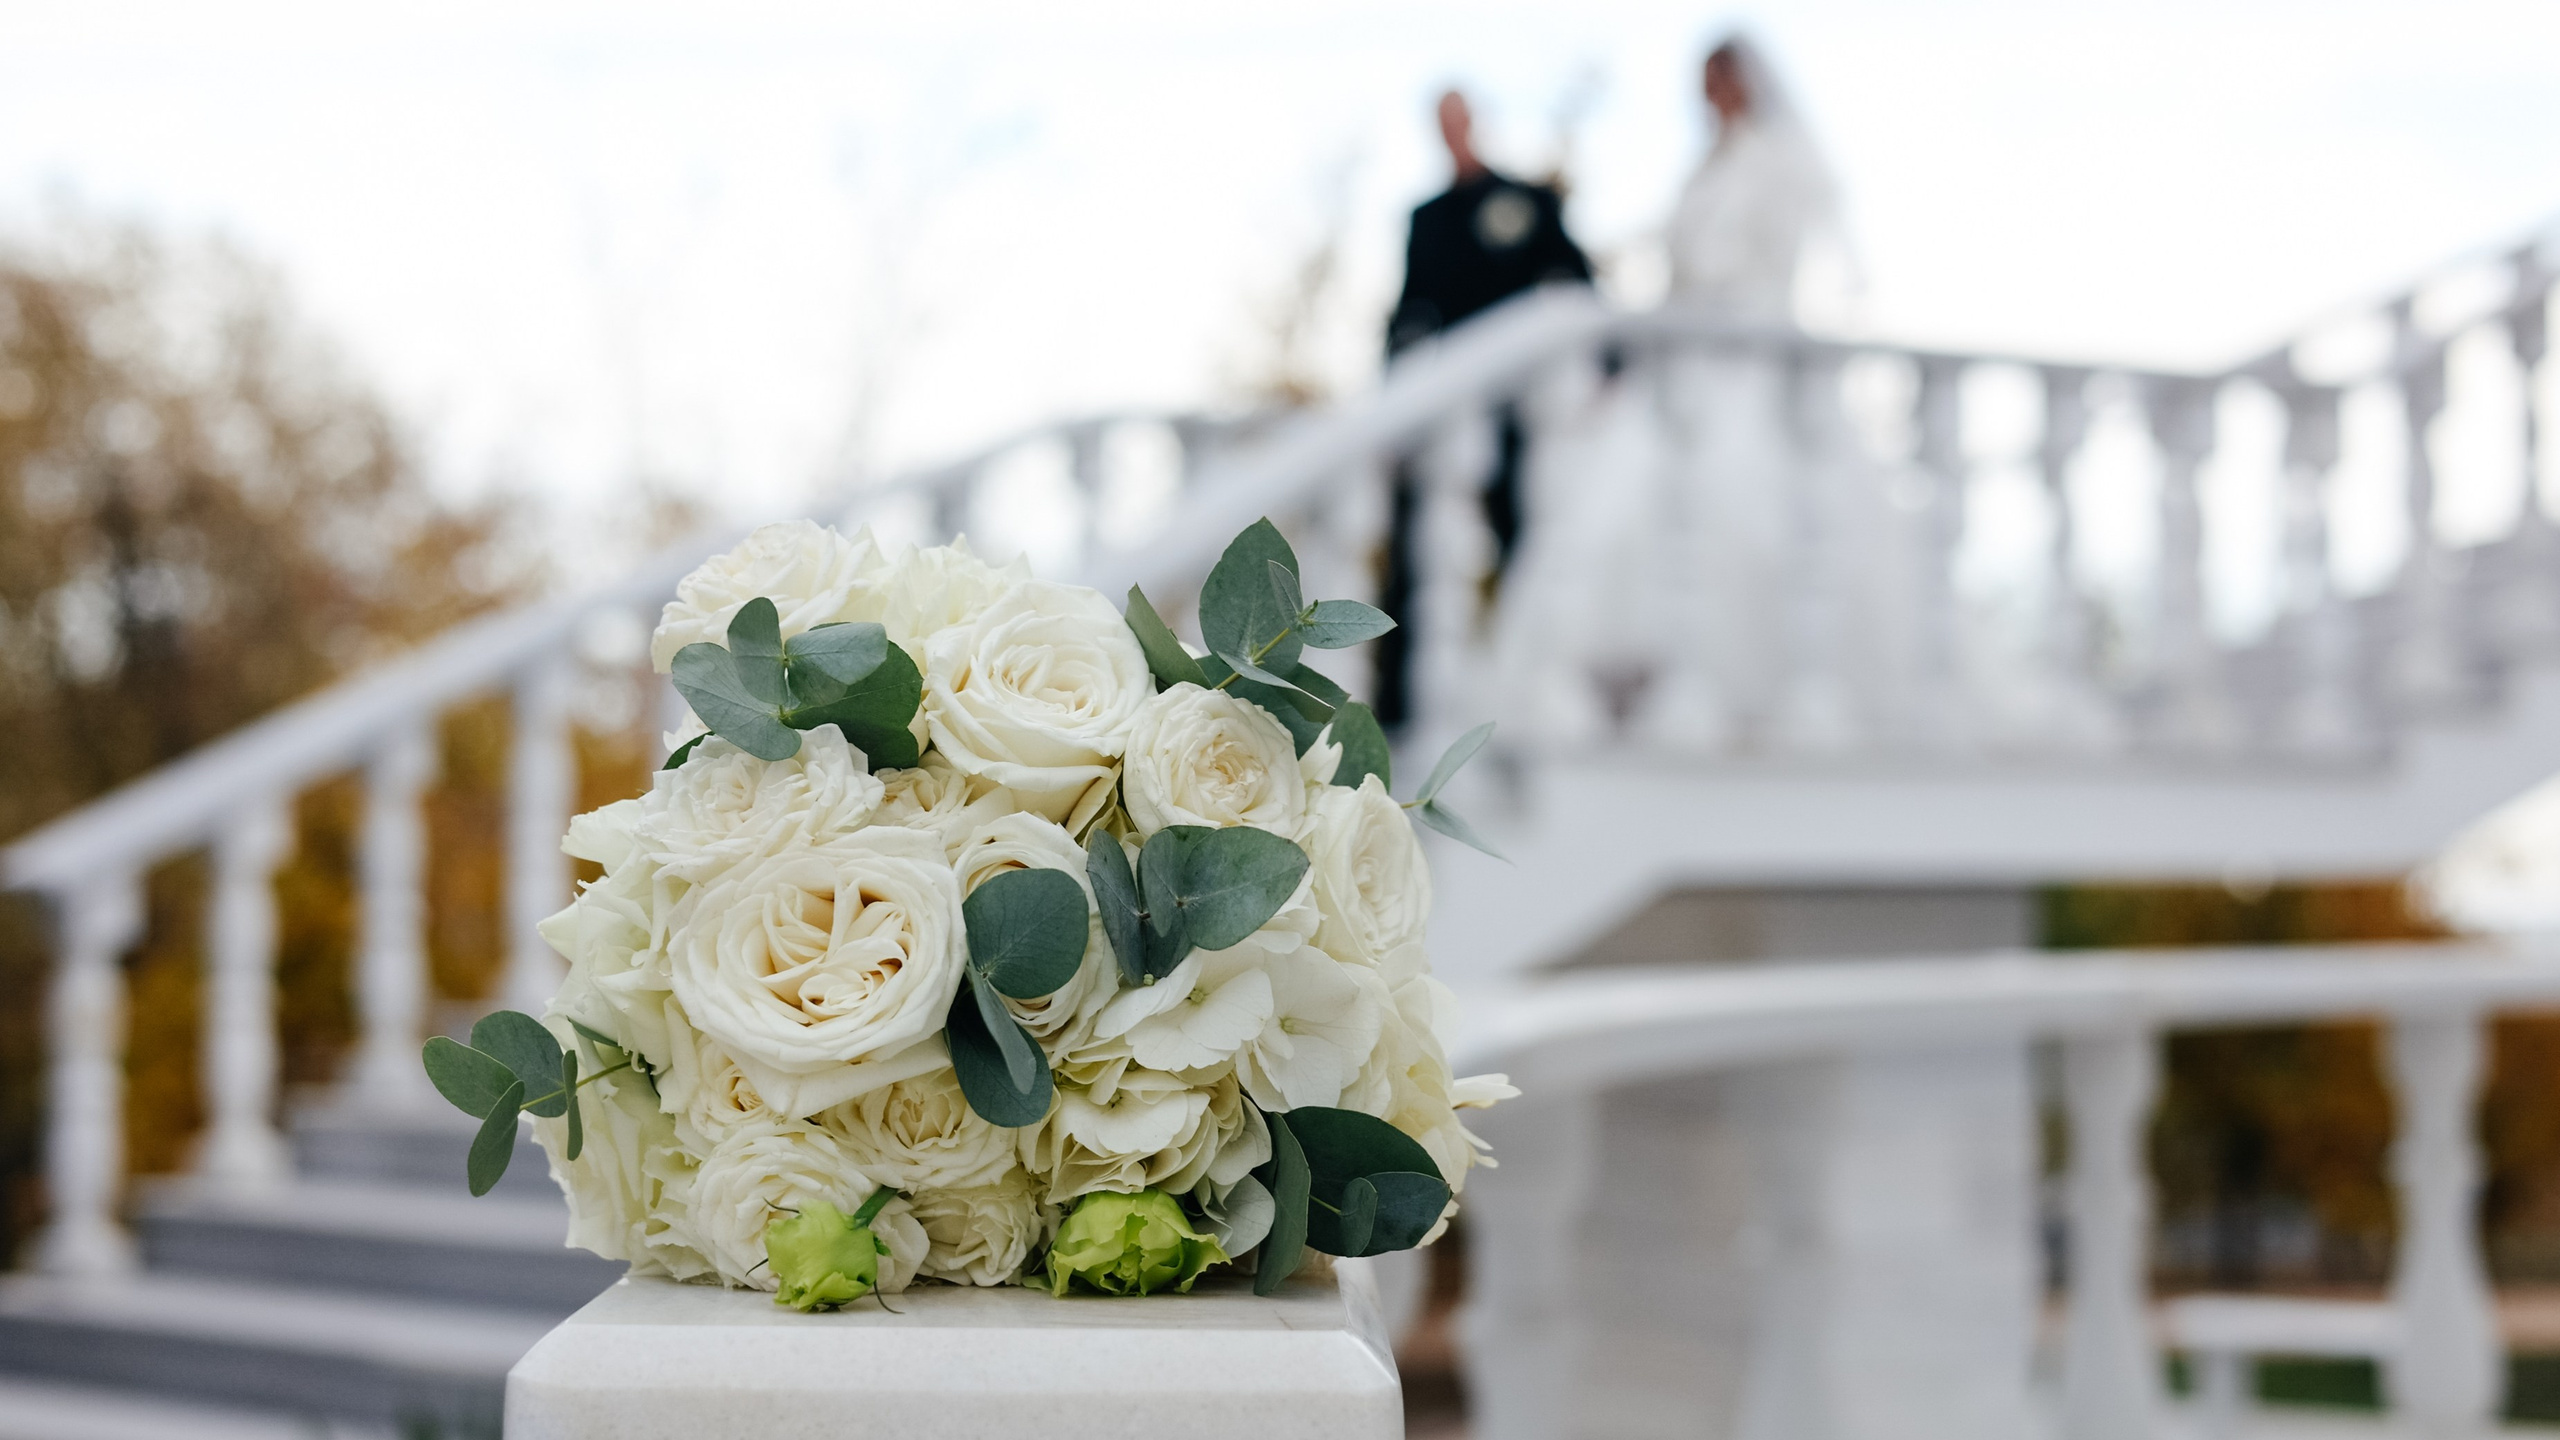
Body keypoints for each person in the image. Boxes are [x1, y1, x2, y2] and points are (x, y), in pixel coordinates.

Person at [1374, 90, 1593, 729]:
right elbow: (1408, 313)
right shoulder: (1425, 216)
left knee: (1525, 543)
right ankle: (1403, 708)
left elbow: (1578, 284)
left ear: (1475, 122)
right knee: (1426, 552)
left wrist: (1605, 378)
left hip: (1523, 415)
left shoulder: (1527, 201)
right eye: (1440, 122)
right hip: (1448, 416)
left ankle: (1518, 698)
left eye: (1459, 118)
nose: (1452, 131)